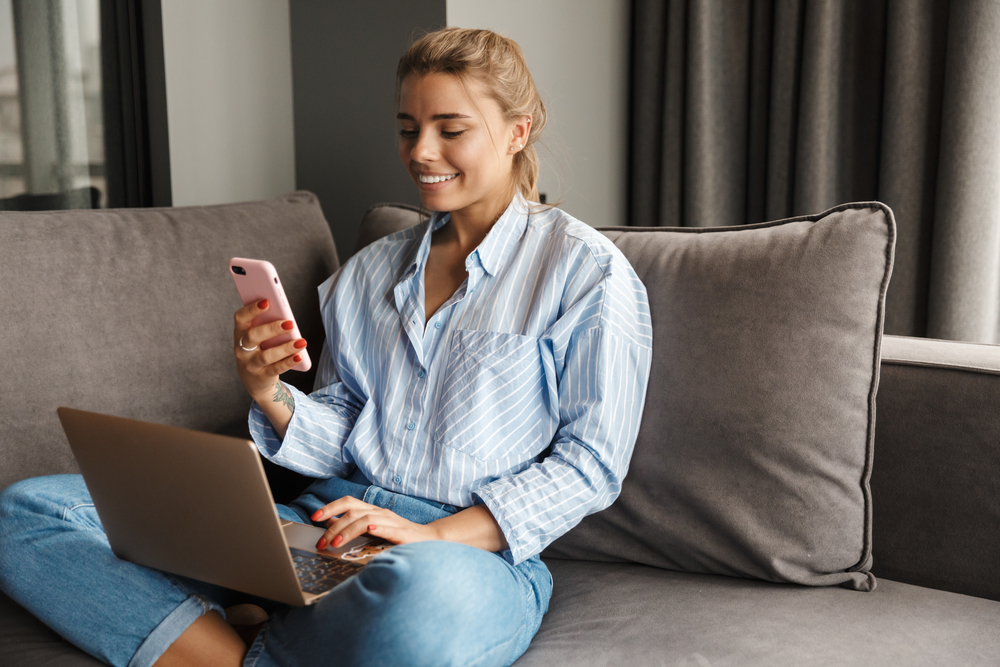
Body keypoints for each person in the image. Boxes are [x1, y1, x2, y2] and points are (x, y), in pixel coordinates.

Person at [0, 27, 652, 667]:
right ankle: (242, 641)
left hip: (468, 555)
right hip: (323, 521)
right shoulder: (368, 273)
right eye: (407, 127)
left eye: (450, 129)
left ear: (518, 130)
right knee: (28, 511)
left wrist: (429, 536)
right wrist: (268, 391)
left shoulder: (586, 273)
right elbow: (343, 422)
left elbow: (589, 462)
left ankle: (231, 638)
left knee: (428, 599)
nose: (422, 151)